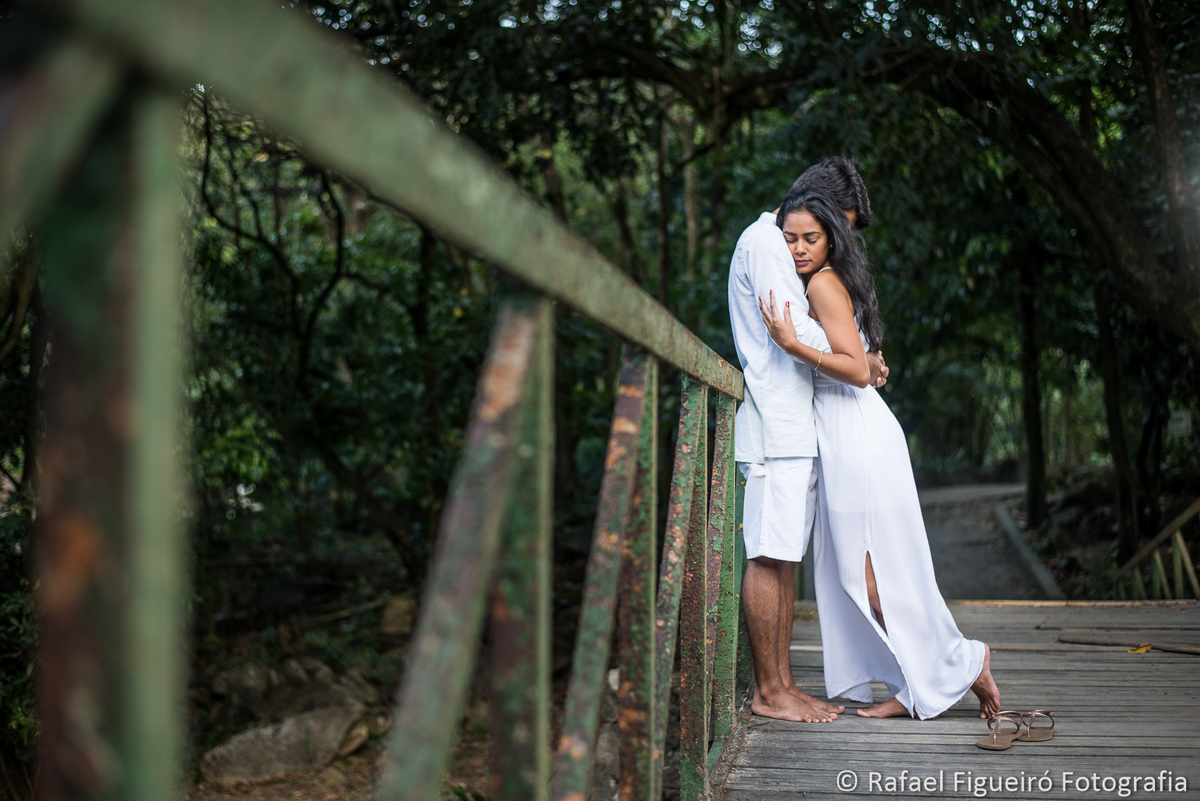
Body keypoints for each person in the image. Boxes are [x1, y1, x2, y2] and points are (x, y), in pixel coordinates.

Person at [757, 188, 1000, 720]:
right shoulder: (817, 281)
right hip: (845, 435)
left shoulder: (821, 283)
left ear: (831, 238)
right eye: (789, 239)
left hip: (857, 437)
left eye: (810, 238)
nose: (798, 249)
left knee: (870, 580)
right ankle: (915, 685)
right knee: (872, 574)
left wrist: (793, 345)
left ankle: (965, 661)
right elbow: (865, 360)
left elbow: (857, 370)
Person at [728, 157, 886, 723]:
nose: (836, 240)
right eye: (838, 224)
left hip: (797, 425)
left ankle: (784, 685)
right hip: (775, 424)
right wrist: (858, 356)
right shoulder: (766, 244)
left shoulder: (779, 243)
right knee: (768, 557)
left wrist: (857, 356)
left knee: (784, 559)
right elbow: (792, 328)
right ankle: (770, 691)